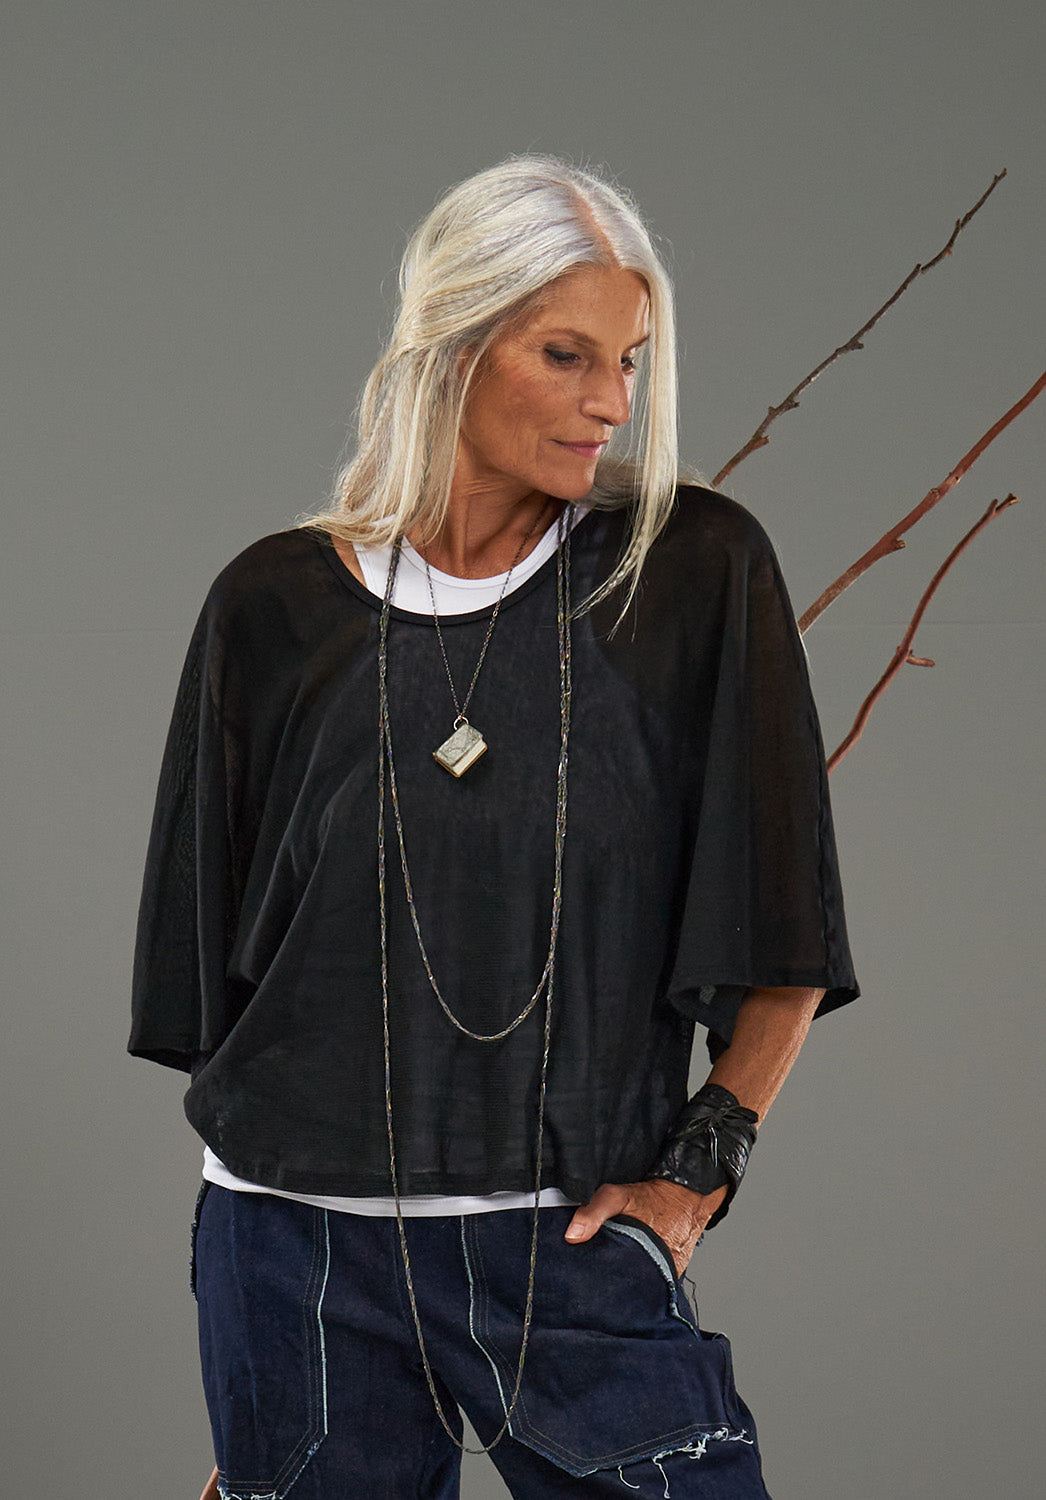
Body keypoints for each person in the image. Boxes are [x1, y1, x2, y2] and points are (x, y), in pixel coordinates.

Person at [129, 155, 859, 1500]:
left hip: (561, 1250)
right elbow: (212, 970)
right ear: (450, 347)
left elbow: (785, 923)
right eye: (565, 355)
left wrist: (698, 1171)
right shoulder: (271, 607)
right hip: (294, 1256)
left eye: (629, 361)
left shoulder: (686, 574)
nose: (612, 402)